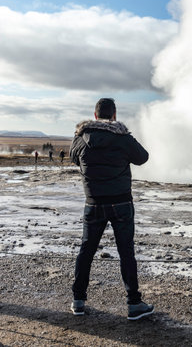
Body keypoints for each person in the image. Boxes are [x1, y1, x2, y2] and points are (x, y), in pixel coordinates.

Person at [69, 98, 153, 320]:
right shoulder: (122, 137)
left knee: (86, 250)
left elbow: (72, 157)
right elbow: (143, 158)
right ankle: (134, 304)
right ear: (114, 115)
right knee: (126, 252)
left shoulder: (81, 138)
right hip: (121, 203)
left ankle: (78, 301)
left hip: (93, 202)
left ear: (95, 116)